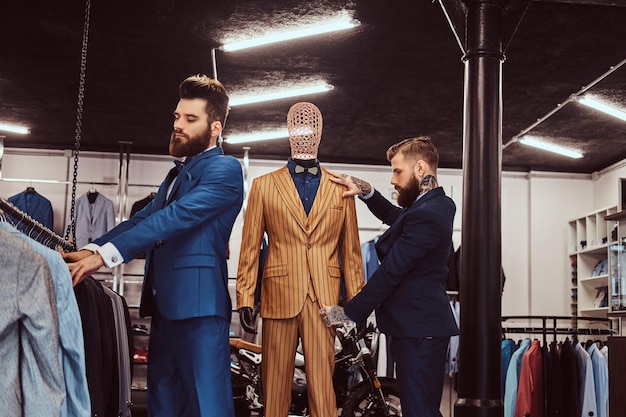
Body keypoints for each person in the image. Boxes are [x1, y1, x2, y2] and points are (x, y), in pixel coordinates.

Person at [62, 74, 244, 417]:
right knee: (162, 404)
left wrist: (103, 258)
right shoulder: (175, 176)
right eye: (177, 116)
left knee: (208, 407)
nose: (179, 125)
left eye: (191, 119)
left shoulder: (226, 169)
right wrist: (90, 250)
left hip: (201, 311)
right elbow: (140, 220)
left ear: (215, 127)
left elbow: (174, 218)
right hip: (164, 308)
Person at [236, 102, 364, 417]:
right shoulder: (263, 186)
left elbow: (351, 253)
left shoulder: (340, 187)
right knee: (275, 385)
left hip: (326, 300)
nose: (305, 133)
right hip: (279, 295)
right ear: (289, 131)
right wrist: (245, 296)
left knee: (323, 386)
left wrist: (357, 305)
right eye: (298, 126)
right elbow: (250, 247)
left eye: (311, 126)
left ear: (320, 132)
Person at [321, 136, 459, 417]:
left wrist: (349, 312)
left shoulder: (428, 214)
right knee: (419, 407)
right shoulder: (434, 206)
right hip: (418, 327)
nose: (393, 180)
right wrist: (368, 192)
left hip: (418, 330)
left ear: (420, 169)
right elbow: (400, 218)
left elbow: (391, 272)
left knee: (419, 409)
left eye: (397, 171)